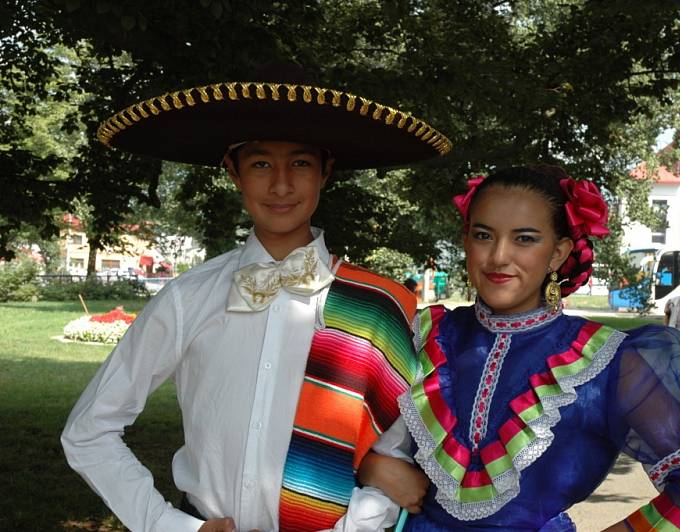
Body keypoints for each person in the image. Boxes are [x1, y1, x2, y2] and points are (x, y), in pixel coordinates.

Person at [61, 63, 450, 532]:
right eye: (261, 163)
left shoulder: (377, 306)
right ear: (233, 172)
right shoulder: (189, 298)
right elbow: (89, 430)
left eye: (301, 164)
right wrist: (168, 525)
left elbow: (392, 453)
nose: (281, 185)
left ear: (325, 171)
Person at [364, 165, 680, 530]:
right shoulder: (423, 333)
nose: (498, 257)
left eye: (524, 238)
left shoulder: (607, 361)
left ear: (559, 253)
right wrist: (367, 465)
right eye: (483, 235)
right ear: (465, 241)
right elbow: (326, 427)